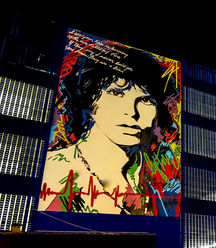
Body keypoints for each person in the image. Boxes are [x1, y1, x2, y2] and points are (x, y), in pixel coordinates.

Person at [39, 40, 181, 216]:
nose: (132, 113)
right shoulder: (56, 168)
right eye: (116, 93)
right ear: (90, 98)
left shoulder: (152, 178)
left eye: (145, 100)